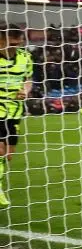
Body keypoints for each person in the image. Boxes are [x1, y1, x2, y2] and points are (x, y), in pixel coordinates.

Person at [0, 26, 33, 207]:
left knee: (8, 155)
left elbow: (28, 79)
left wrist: (25, 90)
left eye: (18, 43)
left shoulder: (25, 57)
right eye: (11, 43)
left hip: (14, 111)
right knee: (0, 151)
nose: (15, 47)